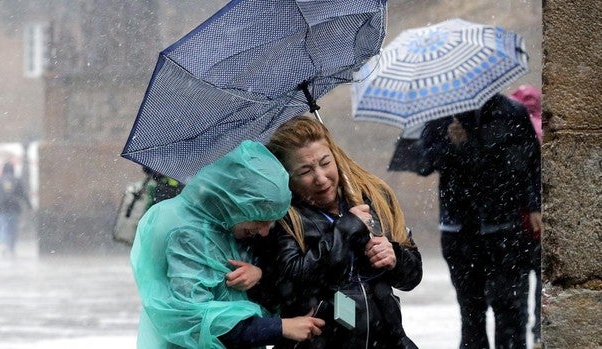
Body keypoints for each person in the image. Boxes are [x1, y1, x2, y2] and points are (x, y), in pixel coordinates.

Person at [130, 140, 325, 349]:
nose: (264, 231)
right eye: (260, 220)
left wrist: (260, 275)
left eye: (271, 222)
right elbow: (195, 322)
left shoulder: (224, 226)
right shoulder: (188, 235)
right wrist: (280, 327)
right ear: (235, 203)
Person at [260, 116, 422, 349]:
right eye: (305, 171)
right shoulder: (282, 220)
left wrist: (394, 257)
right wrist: (344, 231)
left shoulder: (373, 196)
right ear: (288, 179)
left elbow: (412, 277)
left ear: (335, 156)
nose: (321, 178)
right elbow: (288, 284)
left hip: (387, 341)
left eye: (325, 162)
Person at [416, 94, 542, 349]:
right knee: (471, 313)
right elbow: (423, 163)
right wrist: (451, 145)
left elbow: (531, 163)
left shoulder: (511, 111)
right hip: (459, 230)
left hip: (504, 229)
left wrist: (534, 205)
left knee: (510, 311)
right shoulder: (442, 115)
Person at [509, 84, 543, 346]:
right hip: (542, 221)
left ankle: (520, 330)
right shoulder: (543, 130)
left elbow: (519, 174)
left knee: (518, 283)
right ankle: (540, 328)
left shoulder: (513, 129)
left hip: (514, 223)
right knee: (543, 280)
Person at [0, 162, 31, 257]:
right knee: (13, 229)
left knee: (3, 227)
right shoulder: (17, 180)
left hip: (1, 208)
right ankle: (12, 248)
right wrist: (30, 205)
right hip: (14, 208)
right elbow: (23, 195)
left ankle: (4, 244)